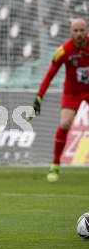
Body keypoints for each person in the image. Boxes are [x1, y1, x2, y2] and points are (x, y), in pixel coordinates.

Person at [30, 18, 89, 182]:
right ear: (71, 32)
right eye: (75, 31)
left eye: (81, 30)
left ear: (86, 31)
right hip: (73, 93)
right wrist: (39, 97)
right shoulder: (64, 50)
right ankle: (55, 165)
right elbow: (50, 75)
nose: (78, 34)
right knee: (64, 124)